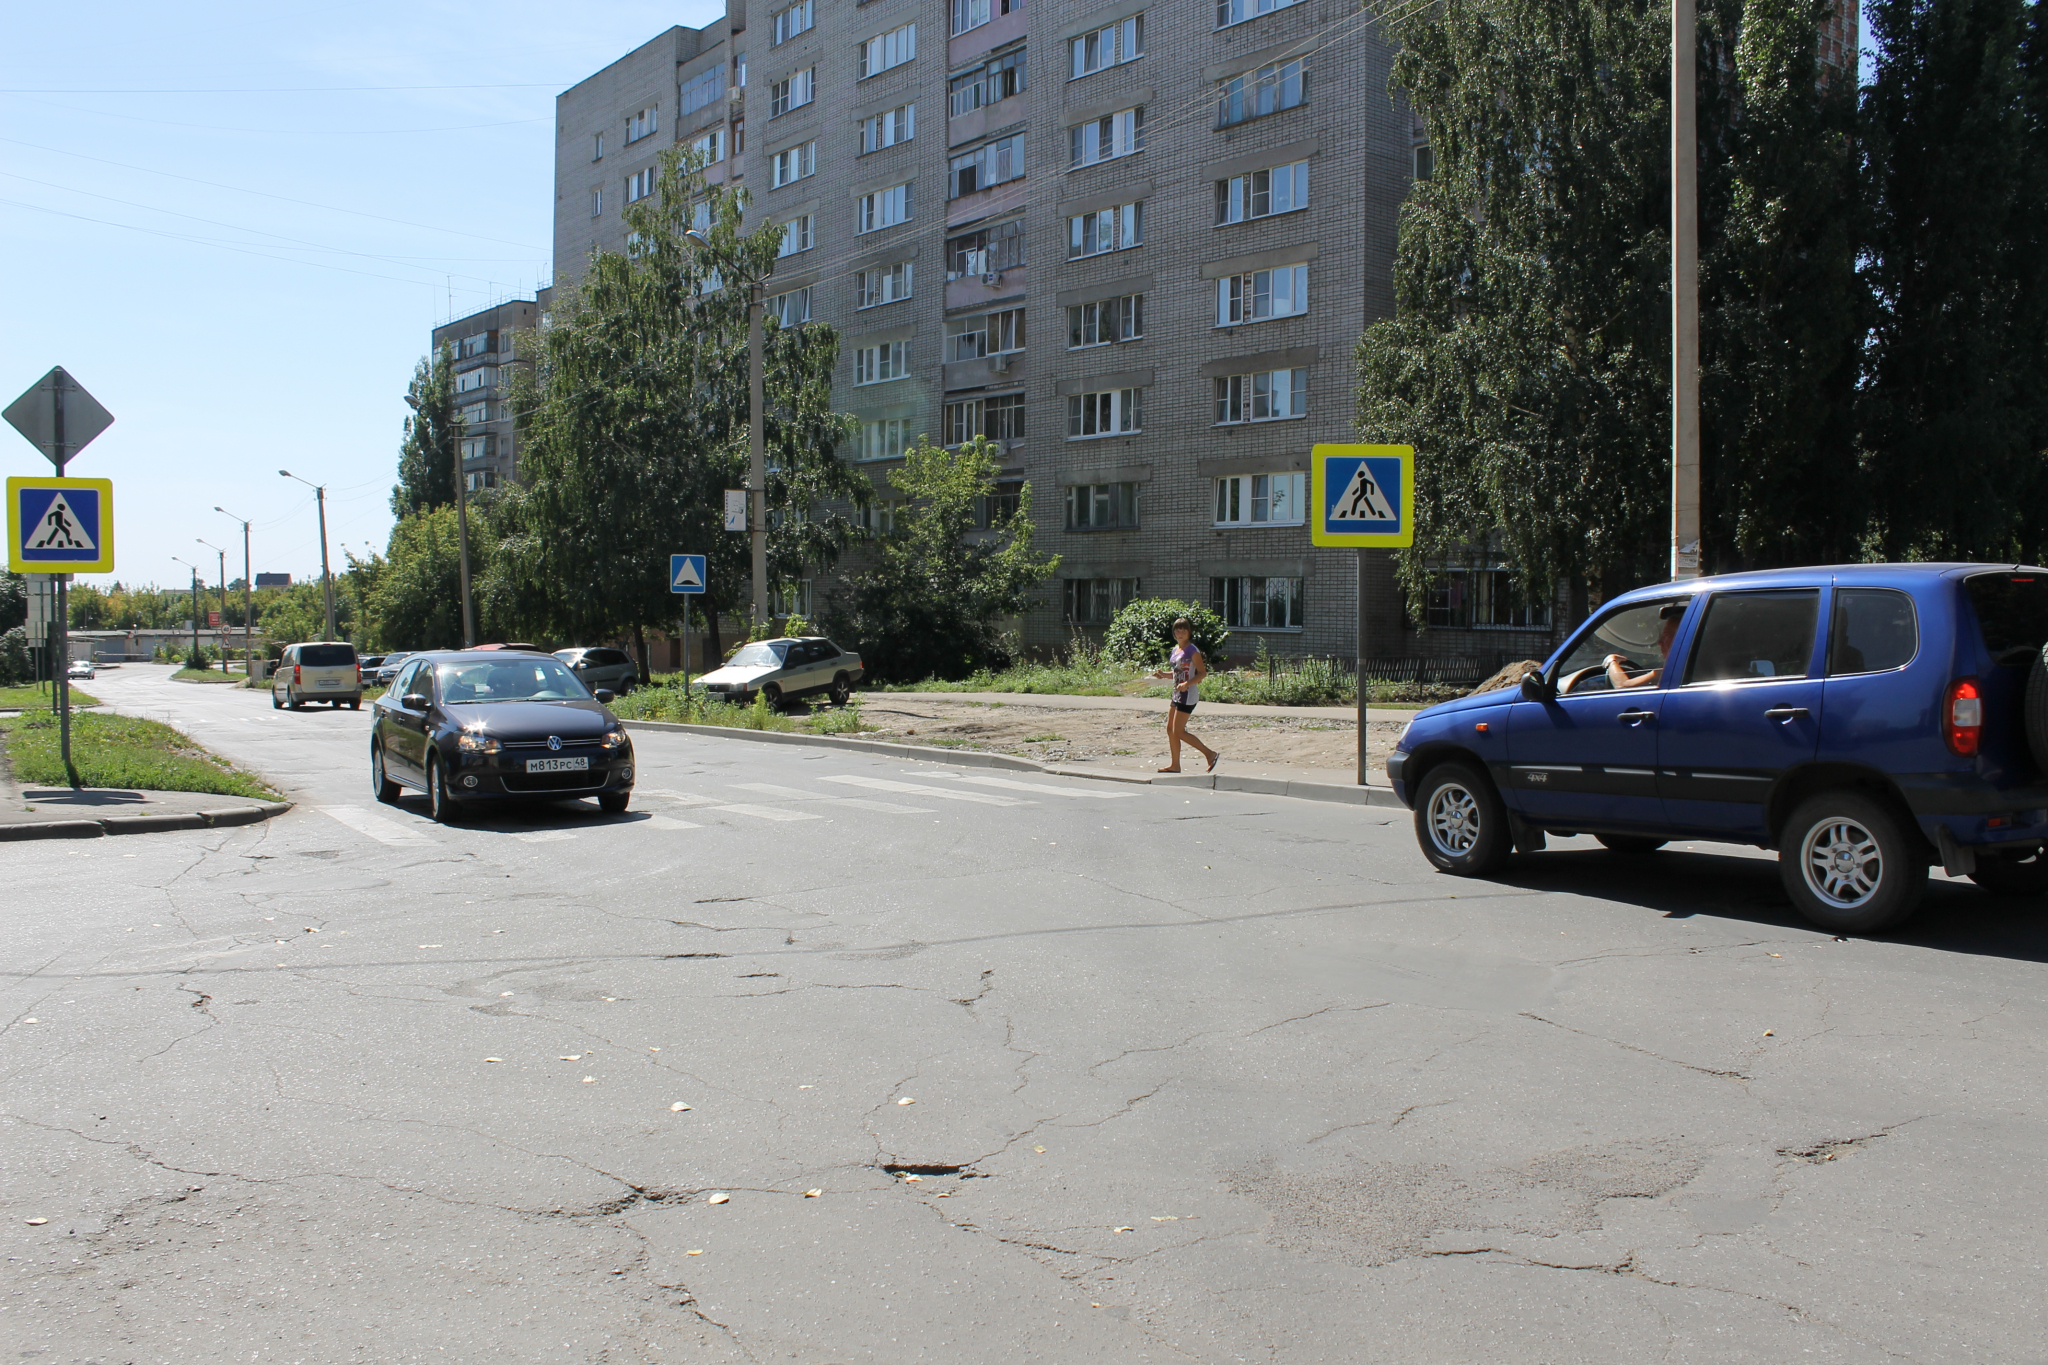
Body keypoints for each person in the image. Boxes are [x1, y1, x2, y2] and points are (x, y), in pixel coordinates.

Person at [1153, 619, 1219, 773]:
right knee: (1170, 729)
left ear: (1189, 632)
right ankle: (1175, 765)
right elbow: (1177, 673)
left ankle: (1210, 754)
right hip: (1177, 694)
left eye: (1183, 630)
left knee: (1179, 731)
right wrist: (1163, 675)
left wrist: (1187, 684)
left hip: (1188, 694)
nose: (1180, 633)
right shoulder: (1176, 650)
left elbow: (1202, 673)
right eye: (1177, 630)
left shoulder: (1192, 651)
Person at [1604, 602, 1687, 690]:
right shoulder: (1693, 665)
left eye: (1666, 635)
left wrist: (1611, 661)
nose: (1660, 642)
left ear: (1683, 639)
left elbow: (1623, 686)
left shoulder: (1673, 669)